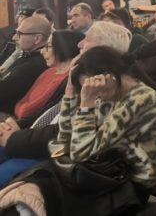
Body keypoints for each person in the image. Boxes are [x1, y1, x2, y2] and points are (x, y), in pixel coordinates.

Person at [4, 46, 156, 215]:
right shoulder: (112, 94)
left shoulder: (140, 100)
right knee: (32, 185)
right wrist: (69, 93)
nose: (96, 96)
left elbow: (80, 152)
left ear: (108, 76)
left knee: (39, 194)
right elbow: (65, 137)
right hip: (102, 172)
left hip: (127, 187)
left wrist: (86, 104)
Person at [0, 22, 133, 189]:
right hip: (37, 140)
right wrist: (16, 127)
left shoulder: (103, 85)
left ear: (104, 48)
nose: (80, 44)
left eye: (87, 39)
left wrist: (16, 138)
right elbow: (48, 112)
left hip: (56, 157)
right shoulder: (82, 74)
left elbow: (65, 134)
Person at [13, 30, 84, 126]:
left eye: (48, 46)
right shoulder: (49, 71)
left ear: (64, 48)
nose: (42, 51)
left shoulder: (67, 80)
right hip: (19, 119)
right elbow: (24, 101)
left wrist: (19, 111)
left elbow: (25, 112)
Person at [0, 16, 51, 114]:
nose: (14, 37)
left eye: (19, 34)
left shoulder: (34, 64)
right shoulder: (29, 56)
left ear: (37, 38)